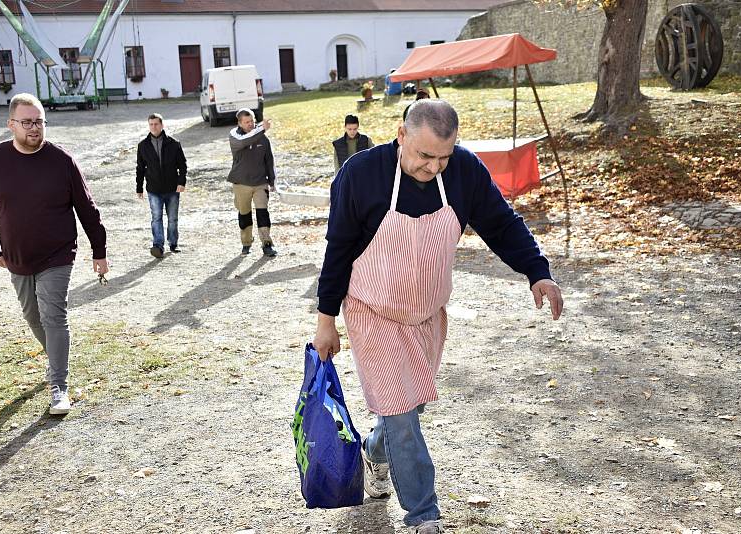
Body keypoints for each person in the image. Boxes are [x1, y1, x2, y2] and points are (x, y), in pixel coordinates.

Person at [313, 100, 563, 534]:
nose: (433, 167)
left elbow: (501, 224)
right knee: (403, 417)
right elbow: (338, 250)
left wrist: (537, 272)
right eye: (425, 156)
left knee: (407, 410)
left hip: (428, 315)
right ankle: (423, 517)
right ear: (401, 134)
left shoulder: (464, 171)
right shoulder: (360, 175)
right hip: (373, 312)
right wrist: (325, 318)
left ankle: (375, 449)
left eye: (443, 157)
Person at [0, 93, 109, 415]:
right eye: (27, 122)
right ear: (11, 125)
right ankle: (56, 358)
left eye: (39, 122)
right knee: (32, 316)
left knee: (53, 315)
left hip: (57, 254)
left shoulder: (62, 161)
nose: (35, 128)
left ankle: (59, 386)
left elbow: (87, 209)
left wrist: (99, 251)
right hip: (16, 257)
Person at [136, 112, 188, 257]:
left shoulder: (174, 144)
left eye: (156, 124)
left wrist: (181, 182)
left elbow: (182, 165)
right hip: (154, 189)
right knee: (156, 218)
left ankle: (173, 243)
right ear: (149, 125)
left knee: (172, 218)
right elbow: (140, 168)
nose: (154, 127)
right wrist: (139, 188)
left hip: (172, 188)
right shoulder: (143, 146)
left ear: (162, 125)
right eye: (151, 124)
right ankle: (158, 245)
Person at [228, 108, 277, 257]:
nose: (250, 124)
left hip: (260, 182)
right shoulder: (234, 135)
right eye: (247, 122)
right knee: (244, 214)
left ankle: (267, 243)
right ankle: (246, 243)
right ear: (240, 123)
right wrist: (262, 128)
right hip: (241, 182)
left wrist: (272, 180)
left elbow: (269, 160)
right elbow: (245, 140)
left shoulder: (263, 138)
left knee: (263, 212)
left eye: (252, 121)